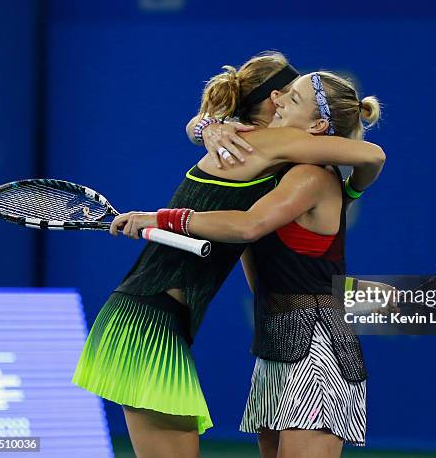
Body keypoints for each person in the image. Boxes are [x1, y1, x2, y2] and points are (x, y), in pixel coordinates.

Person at [112, 71, 384, 458]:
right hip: (277, 343)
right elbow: (266, 272)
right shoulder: (268, 172)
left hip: (317, 349)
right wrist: (207, 125)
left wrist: (162, 218)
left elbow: (249, 227)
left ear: (318, 125)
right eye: (280, 94)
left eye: (292, 97)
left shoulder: (310, 175)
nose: (279, 99)